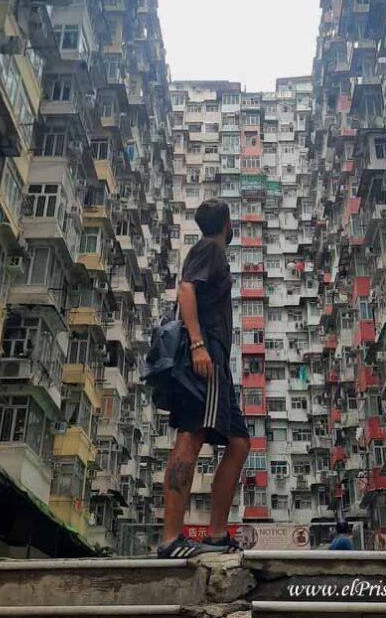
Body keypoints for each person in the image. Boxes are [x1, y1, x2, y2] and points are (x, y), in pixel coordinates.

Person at [158, 199, 250, 558]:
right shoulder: (209, 249)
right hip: (205, 357)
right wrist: (198, 345)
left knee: (239, 443)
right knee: (192, 435)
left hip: (216, 363)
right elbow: (186, 289)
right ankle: (170, 539)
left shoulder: (213, 252)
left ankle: (215, 535)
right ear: (226, 223)